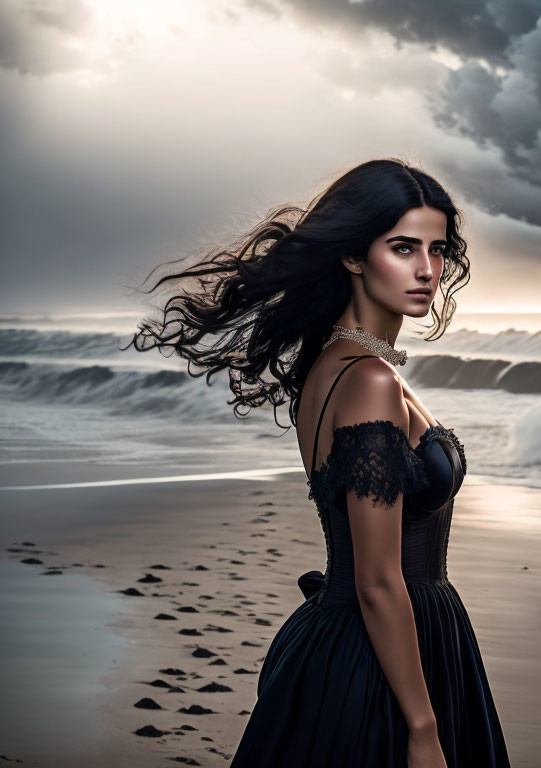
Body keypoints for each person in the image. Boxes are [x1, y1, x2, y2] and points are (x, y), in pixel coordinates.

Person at [124, 158, 510, 767]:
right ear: (353, 256)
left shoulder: (340, 364)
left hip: (382, 640)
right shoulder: (369, 381)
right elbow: (378, 581)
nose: (428, 270)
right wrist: (422, 729)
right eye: (403, 247)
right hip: (381, 654)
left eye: (438, 249)